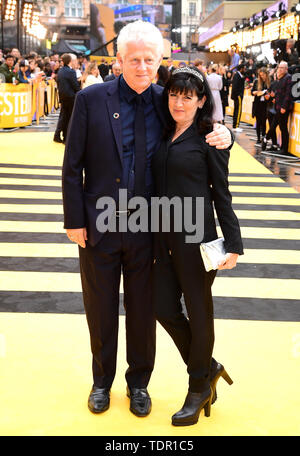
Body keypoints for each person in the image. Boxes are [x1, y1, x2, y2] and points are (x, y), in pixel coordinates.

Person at [62, 21, 233, 418]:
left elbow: (199, 126)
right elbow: (72, 166)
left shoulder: (166, 100)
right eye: (134, 59)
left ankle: (139, 382)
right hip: (98, 223)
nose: (141, 66)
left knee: (143, 309)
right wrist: (74, 219)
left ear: (161, 61)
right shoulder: (91, 100)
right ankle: (101, 381)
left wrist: (222, 132)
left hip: (150, 228)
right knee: (100, 307)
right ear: (119, 60)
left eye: (149, 60)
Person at [152, 66, 243, 426]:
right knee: (162, 306)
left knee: (200, 312)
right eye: (174, 94)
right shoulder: (161, 131)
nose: (179, 101)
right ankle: (209, 367)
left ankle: (197, 388)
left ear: (202, 100)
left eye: (188, 96)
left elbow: (222, 193)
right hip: (159, 235)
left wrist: (233, 243)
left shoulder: (210, 139)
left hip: (197, 240)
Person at [262, 61, 294, 156]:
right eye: (279, 67)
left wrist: (284, 106)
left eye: (281, 68)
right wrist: (274, 98)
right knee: (280, 127)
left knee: (283, 128)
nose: (279, 69)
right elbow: (279, 93)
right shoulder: (281, 78)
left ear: (286, 69)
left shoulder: (288, 78)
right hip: (278, 106)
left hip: (283, 107)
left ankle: (284, 149)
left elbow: (288, 94)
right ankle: (280, 146)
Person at [54, 53, 80, 144]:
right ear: (70, 61)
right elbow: (75, 85)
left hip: (62, 96)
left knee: (63, 117)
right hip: (70, 97)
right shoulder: (71, 72)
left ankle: (57, 135)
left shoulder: (60, 71)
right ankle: (66, 138)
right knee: (69, 118)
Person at [251, 67, 270, 145]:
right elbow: (252, 92)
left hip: (266, 105)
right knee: (258, 122)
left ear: (266, 74)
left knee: (264, 122)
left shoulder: (269, 82)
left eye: (263, 75)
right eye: (260, 75)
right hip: (257, 104)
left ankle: (263, 136)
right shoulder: (256, 81)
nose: (262, 77)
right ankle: (258, 138)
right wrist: (255, 92)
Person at [231, 63, 246, 131]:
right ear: (241, 69)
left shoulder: (239, 75)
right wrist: (238, 95)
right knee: (238, 110)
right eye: (244, 68)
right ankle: (236, 126)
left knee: (236, 110)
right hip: (238, 96)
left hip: (238, 95)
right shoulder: (237, 75)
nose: (245, 70)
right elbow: (235, 86)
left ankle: (235, 125)